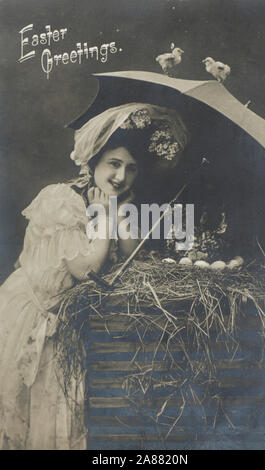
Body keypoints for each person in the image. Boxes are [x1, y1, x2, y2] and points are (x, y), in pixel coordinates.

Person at [0, 102, 189, 449]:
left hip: (68, 320)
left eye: (131, 169)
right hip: (32, 314)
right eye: (113, 165)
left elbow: (134, 254)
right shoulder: (61, 200)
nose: (121, 177)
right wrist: (103, 217)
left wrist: (115, 214)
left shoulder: (116, 201)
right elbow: (87, 269)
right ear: (93, 163)